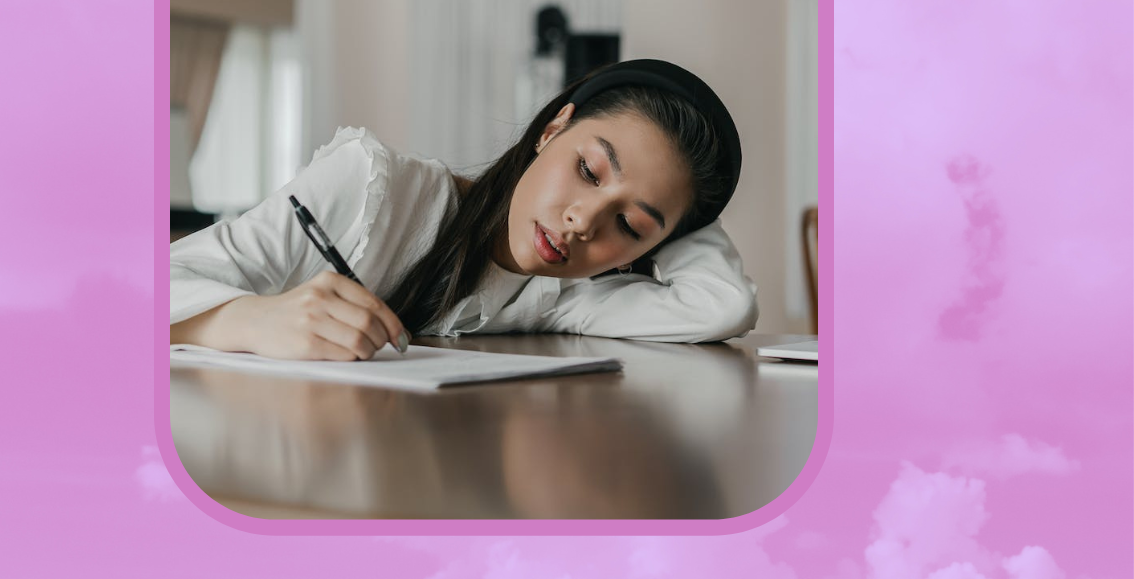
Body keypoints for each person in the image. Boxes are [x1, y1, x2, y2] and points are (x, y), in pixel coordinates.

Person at [170, 59, 758, 361]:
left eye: (628, 226)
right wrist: (248, 320)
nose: (583, 222)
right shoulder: (375, 187)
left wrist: (682, 215)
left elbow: (721, 305)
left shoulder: (561, 300)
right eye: (588, 170)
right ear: (553, 129)